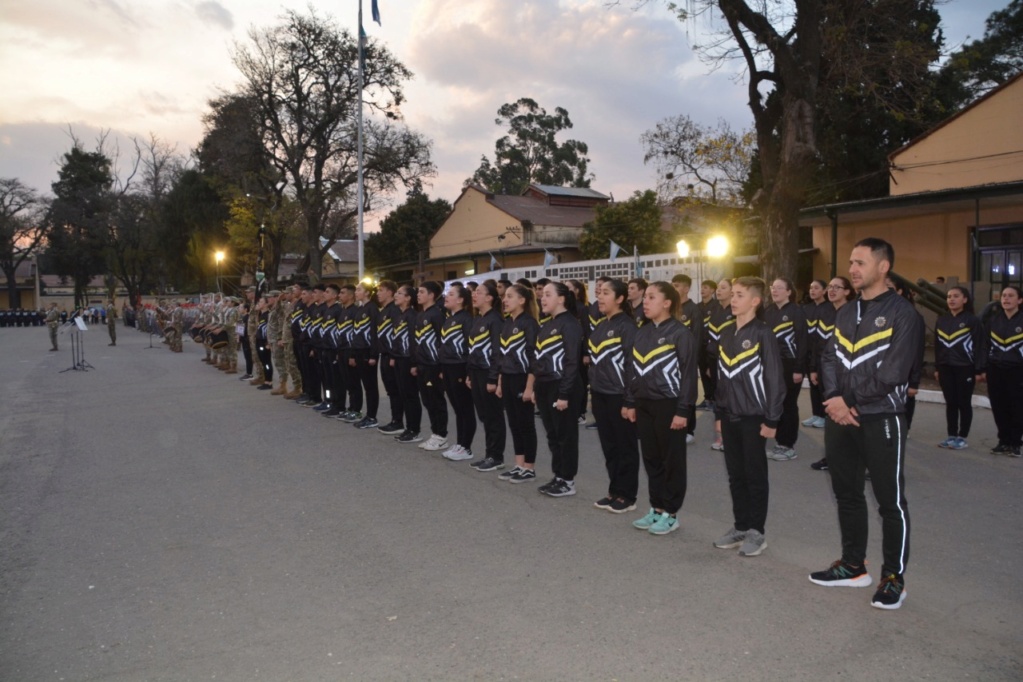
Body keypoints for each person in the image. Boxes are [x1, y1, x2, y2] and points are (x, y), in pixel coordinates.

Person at [812, 237, 922, 610]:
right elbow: (829, 358)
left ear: (883, 267)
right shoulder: (846, 312)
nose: (853, 269)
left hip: (881, 418)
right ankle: (853, 566)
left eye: (860, 262)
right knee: (847, 494)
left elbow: (893, 372)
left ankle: (894, 578)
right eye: (851, 262)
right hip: (841, 416)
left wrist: (850, 401)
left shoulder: (903, 313)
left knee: (890, 502)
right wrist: (834, 401)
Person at [712, 277, 785, 557]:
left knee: (755, 474)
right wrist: (719, 412)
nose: (733, 299)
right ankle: (740, 526)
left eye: (740, 295)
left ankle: (757, 532)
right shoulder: (726, 332)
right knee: (735, 475)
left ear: (755, 301)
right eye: (733, 294)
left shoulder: (763, 333)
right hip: (730, 415)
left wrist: (772, 419)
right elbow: (721, 377)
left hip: (755, 417)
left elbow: (775, 379)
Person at [624, 282, 698, 536]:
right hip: (644, 404)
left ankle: (671, 513)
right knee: (652, 459)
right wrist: (630, 401)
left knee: (672, 461)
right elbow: (632, 370)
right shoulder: (641, 332)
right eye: (645, 297)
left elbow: (688, 376)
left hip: (669, 405)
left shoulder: (680, 333)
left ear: (667, 303)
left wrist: (683, 411)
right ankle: (656, 508)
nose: (645, 302)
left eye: (651, 297)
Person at [529, 281, 584, 497]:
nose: (542, 297)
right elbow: (539, 358)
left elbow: (572, 362)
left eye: (548, 294)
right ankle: (559, 475)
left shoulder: (569, 324)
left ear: (561, 299)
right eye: (542, 294)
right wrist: (535, 387)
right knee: (553, 435)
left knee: (566, 435)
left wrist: (564, 393)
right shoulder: (547, 323)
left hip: (562, 385)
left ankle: (568, 480)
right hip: (545, 385)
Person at [589, 279, 640, 513]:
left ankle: (627, 495)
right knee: (609, 447)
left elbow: (632, 365)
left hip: (619, 395)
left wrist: (630, 400)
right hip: (600, 395)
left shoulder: (626, 326)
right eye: (599, 293)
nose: (600, 297)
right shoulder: (600, 325)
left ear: (619, 299)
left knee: (625, 447)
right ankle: (614, 490)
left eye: (606, 293)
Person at [496, 283, 540, 482]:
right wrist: (499, 382)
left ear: (522, 300)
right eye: (505, 296)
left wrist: (530, 386)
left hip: (523, 379)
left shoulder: (529, 323)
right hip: (507, 378)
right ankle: (518, 464)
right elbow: (502, 356)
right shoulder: (507, 323)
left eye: (510, 296)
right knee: (514, 423)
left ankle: (529, 468)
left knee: (526, 424)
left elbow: (533, 358)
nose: (504, 300)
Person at [809, 277, 853, 472]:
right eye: (830, 287)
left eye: (838, 287)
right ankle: (831, 457)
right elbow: (817, 343)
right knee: (830, 416)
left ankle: (854, 458)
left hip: (846, 373)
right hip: (825, 371)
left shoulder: (854, 313)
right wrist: (814, 369)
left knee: (848, 416)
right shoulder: (825, 312)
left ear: (847, 292)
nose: (832, 290)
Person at [764, 278, 808, 462]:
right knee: (774, 402)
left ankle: (788, 445)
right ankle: (778, 441)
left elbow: (803, 342)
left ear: (789, 292)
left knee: (788, 404)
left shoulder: (796, 312)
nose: (775, 291)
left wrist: (799, 368)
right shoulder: (768, 311)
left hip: (790, 365)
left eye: (779, 288)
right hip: (771, 365)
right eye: (773, 288)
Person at [465, 281, 507, 471]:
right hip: (476, 372)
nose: (474, 295)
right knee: (484, 416)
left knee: (493, 416)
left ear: (489, 298)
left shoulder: (495, 320)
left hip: (487, 372)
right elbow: (473, 349)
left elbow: (497, 352)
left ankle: (496, 456)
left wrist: (493, 378)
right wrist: (469, 373)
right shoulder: (478, 319)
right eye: (474, 292)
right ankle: (489, 454)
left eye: (479, 292)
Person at [934, 286, 981, 450]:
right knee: (951, 402)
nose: (951, 299)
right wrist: (937, 367)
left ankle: (962, 437)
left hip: (965, 367)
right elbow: (938, 346)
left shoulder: (972, 320)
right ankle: (951, 435)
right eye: (949, 296)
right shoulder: (942, 319)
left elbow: (979, 346)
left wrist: (978, 370)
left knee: (963, 402)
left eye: (956, 296)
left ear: (965, 299)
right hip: (946, 367)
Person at [979, 285, 1023, 457]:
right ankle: (1003, 441)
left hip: (1017, 370)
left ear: (1019, 300)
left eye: (1011, 296)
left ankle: (1015, 443)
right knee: (999, 407)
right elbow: (985, 346)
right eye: (1004, 295)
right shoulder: (993, 321)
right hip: (995, 369)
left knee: (1017, 407)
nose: (1006, 299)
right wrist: (983, 368)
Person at [439, 285, 475, 460]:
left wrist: (468, 371)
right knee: (457, 409)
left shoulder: (466, 319)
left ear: (461, 300)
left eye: (451, 294)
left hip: (459, 366)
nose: (446, 296)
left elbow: (470, 347)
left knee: (465, 408)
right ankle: (460, 443)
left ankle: (466, 447)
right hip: (447, 367)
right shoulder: (449, 318)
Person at [412, 281, 448, 451]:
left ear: (432, 295)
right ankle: (435, 433)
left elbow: (442, 342)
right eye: (418, 292)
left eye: (422, 292)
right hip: (422, 365)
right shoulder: (420, 314)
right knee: (427, 400)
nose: (418, 294)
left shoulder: (437, 315)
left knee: (436, 400)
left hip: (433, 365)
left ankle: (441, 435)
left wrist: (440, 367)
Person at [672, 274, 703, 444]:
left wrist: (693, 358)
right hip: (671, 359)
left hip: (687, 358)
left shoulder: (693, 309)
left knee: (688, 392)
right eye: (673, 285)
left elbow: (697, 336)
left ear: (686, 288)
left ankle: (689, 428)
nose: (674, 288)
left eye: (677, 285)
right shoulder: (670, 307)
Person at [391, 285, 423, 444]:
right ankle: (408, 427)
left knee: (411, 396)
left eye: (400, 293)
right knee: (403, 394)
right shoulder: (399, 315)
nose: (396, 295)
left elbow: (413, 341)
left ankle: (414, 429)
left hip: (407, 360)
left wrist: (413, 362)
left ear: (408, 298)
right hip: (398, 359)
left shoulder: (412, 316)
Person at [706, 278, 736, 449]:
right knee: (719, 398)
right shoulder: (714, 309)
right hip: (714, 360)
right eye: (717, 288)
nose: (718, 290)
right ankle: (720, 435)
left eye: (723, 288)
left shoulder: (736, 309)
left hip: (731, 362)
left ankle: (730, 436)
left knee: (731, 397)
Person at [349, 282, 382, 429]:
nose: (356, 292)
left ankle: (372, 416)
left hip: (367, 352)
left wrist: (373, 355)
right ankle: (367, 415)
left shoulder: (372, 309)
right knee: (364, 385)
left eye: (359, 290)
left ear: (367, 293)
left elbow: (375, 333)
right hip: (358, 351)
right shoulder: (360, 309)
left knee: (370, 386)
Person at [375, 281, 405, 434]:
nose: (378, 293)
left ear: (390, 292)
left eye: (381, 290)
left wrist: (393, 355)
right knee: (391, 390)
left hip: (392, 356)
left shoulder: (394, 310)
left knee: (396, 390)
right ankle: (395, 420)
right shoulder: (384, 310)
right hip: (384, 354)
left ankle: (398, 421)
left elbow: (396, 335)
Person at [801, 279, 829, 429]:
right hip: (809, 353)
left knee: (822, 385)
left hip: (822, 353)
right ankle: (816, 414)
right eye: (811, 288)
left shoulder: (829, 308)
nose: (812, 290)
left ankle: (825, 415)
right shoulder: (805, 308)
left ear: (824, 291)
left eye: (816, 288)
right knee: (813, 384)